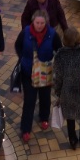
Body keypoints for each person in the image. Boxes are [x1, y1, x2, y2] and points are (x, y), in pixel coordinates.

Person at [14, 9, 62, 143]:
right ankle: (25, 129)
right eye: (37, 23)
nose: (39, 25)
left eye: (42, 23)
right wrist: (24, 59)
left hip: (45, 73)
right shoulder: (25, 32)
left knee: (45, 97)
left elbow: (59, 50)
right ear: (33, 22)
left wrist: (52, 62)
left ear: (46, 22)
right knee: (29, 100)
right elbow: (18, 46)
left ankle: (44, 117)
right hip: (28, 72)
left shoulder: (52, 34)